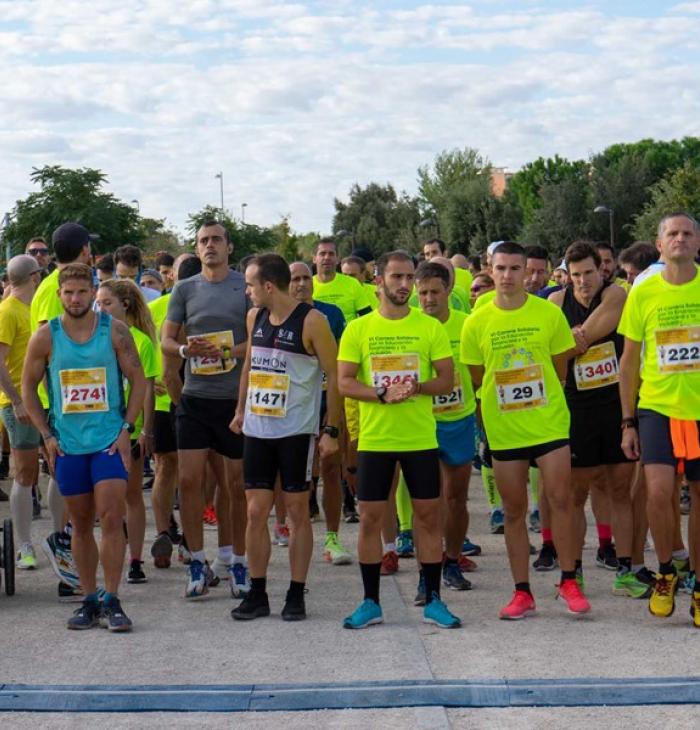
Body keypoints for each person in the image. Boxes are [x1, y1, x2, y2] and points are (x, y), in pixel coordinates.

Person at [461, 241, 591, 619]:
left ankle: (569, 579)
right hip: (505, 430)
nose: (507, 276)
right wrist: (487, 429)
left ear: (528, 271)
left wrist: (544, 402)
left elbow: (560, 369)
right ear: (490, 268)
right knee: (514, 511)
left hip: (548, 422)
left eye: (515, 268)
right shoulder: (476, 322)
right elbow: (478, 380)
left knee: (561, 500)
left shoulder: (547, 314)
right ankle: (522, 592)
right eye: (500, 268)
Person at [338, 250, 461, 629]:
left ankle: (434, 600)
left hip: (420, 439)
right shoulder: (359, 330)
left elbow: (447, 380)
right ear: (379, 281)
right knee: (371, 519)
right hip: (376, 440)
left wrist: (416, 387)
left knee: (427, 518)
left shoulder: (429, 328)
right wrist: (379, 394)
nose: (405, 285)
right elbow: (344, 382)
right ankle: (370, 601)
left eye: (410, 278)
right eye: (397, 278)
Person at [22, 263, 147, 631]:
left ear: (93, 292)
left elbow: (138, 381)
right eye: (68, 292)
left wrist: (127, 427)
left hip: (108, 441)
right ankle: (89, 598)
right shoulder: (46, 337)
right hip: (68, 445)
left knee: (111, 517)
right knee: (79, 523)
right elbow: (28, 387)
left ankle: (113, 598)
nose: (75, 298)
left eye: (82, 291)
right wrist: (46, 433)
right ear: (59, 295)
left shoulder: (114, 331)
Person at [230, 254, 341, 620]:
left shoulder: (312, 321)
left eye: (250, 285)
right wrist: (240, 409)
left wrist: (331, 429)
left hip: (295, 432)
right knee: (255, 511)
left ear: (267, 285)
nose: (246, 292)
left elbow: (334, 376)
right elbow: (250, 363)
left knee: (296, 513)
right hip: (258, 430)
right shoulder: (254, 317)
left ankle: (296, 593)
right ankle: (258, 592)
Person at [548, 242, 647, 597]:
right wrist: (567, 344)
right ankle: (573, 573)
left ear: (600, 270)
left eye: (589, 272)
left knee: (621, 491)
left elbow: (579, 340)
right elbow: (553, 350)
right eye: (575, 275)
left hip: (615, 406)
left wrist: (573, 339)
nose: (583, 281)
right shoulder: (556, 303)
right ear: (565, 275)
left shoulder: (616, 295)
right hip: (575, 410)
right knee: (575, 495)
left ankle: (625, 570)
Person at [618, 212, 700, 625]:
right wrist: (628, 421)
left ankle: (699, 584)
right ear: (660, 242)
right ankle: (667, 570)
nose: (680, 239)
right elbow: (629, 362)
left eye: (687, 233)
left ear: (697, 243)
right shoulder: (644, 293)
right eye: (673, 233)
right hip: (657, 407)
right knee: (657, 493)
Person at [161, 221, 249, 600]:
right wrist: (185, 352)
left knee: (235, 486)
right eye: (203, 241)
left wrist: (229, 352)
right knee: (191, 482)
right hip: (195, 398)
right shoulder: (184, 288)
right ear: (196, 250)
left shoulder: (243, 285)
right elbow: (165, 340)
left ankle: (235, 560)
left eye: (216, 240)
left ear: (228, 246)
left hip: (234, 400)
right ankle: (197, 560)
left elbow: (257, 340)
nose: (209, 246)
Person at [31, 222, 94, 600]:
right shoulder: (55, 289)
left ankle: (69, 550)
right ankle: (63, 548)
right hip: (65, 402)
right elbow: (47, 346)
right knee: (66, 477)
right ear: (84, 248)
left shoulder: (64, 282)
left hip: (80, 400)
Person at [415, 261, 477, 592]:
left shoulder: (467, 325)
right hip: (423, 422)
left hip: (459, 419)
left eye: (435, 292)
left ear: (448, 291)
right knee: (427, 502)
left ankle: (452, 562)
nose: (428, 299)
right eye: (422, 293)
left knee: (456, 498)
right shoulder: (410, 327)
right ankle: (427, 573)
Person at [289, 262, 352, 565]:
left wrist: (335, 421)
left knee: (330, 466)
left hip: (327, 398)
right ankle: (294, 529)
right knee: (296, 471)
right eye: (294, 279)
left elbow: (338, 366)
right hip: (292, 404)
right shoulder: (276, 315)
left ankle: (332, 537)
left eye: (305, 277)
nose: (301, 284)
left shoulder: (332, 314)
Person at [96, 279, 157, 584]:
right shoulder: (93, 336)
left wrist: (145, 429)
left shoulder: (140, 341)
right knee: (107, 502)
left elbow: (143, 388)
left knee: (132, 496)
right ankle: (110, 557)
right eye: (99, 303)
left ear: (125, 305)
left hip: (128, 432)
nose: (101, 309)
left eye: (107, 303)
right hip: (99, 431)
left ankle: (135, 558)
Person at [149, 253, 197, 569]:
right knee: (195, 473)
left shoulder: (154, 309)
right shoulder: (205, 306)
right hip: (187, 401)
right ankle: (187, 541)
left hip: (164, 401)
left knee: (167, 469)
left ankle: (164, 533)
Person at [0, 255, 44, 569]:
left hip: (44, 401)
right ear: (34, 277)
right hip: (18, 404)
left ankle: (59, 538)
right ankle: (24, 545)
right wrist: (16, 400)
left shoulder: (33, 309)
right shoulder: (7, 311)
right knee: (26, 472)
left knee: (54, 469)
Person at [312, 238, 372, 323]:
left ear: (338, 259)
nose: (327, 257)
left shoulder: (352, 283)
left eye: (331, 254)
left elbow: (367, 318)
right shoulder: (307, 285)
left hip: (348, 336)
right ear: (314, 259)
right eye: (322, 253)